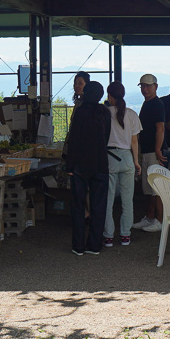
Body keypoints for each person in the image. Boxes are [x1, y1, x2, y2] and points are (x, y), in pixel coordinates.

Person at [63, 81, 112, 255]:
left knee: (78, 205)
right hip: (100, 164)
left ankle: (78, 246)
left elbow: (74, 140)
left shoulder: (81, 112)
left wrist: (70, 165)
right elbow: (106, 138)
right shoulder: (105, 112)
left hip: (80, 166)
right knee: (99, 206)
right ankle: (94, 245)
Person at [103, 82, 142, 247]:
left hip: (109, 157)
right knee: (127, 200)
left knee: (108, 200)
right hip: (127, 158)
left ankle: (108, 236)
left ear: (109, 96)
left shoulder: (104, 113)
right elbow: (134, 141)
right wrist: (136, 162)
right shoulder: (132, 114)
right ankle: (125, 235)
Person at [131, 73, 165, 232]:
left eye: (148, 86)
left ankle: (160, 219)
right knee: (148, 188)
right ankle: (150, 217)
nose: (145, 89)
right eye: (143, 86)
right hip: (146, 151)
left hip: (153, 152)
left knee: (156, 187)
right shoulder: (147, 104)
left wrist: (158, 149)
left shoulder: (157, 104)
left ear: (155, 87)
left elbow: (160, 128)